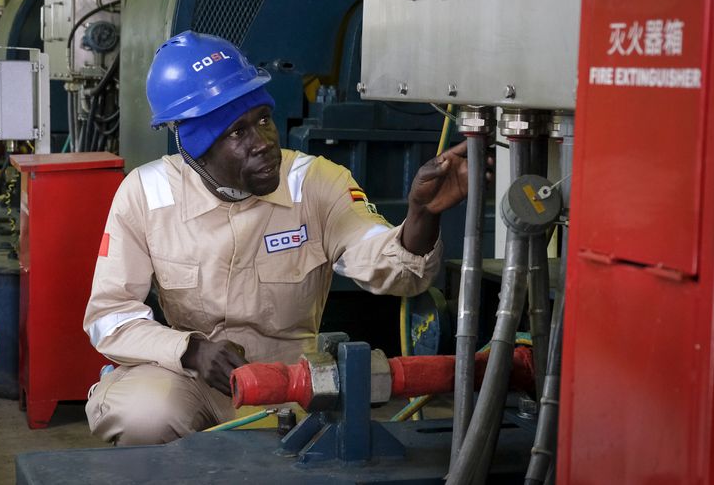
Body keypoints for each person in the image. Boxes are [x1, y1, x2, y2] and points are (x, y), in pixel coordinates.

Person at [83, 31, 468, 445]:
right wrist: (189, 350)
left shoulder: (316, 183)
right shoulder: (146, 194)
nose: (264, 143)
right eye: (238, 132)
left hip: (293, 385)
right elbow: (109, 316)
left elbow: (394, 269)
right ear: (198, 150)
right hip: (192, 380)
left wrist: (420, 217)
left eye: (264, 120)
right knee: (142, 414)